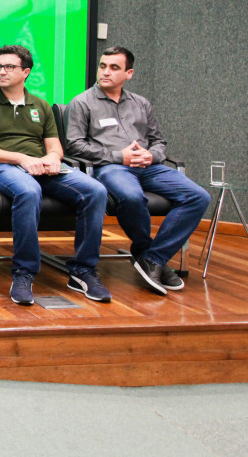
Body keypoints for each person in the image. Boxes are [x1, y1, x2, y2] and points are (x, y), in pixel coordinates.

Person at [0, 44, 109, 306]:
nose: (1, 72)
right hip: (5, 167)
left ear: (26, 72)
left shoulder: (41, 106)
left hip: (42, 166)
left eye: (9, 67)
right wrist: (22, 159)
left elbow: (55, 147)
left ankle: (82, 271)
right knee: (29, 190)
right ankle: (24, 272)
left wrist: (52, 159)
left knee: (96, 190)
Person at [64, 45, 209, 296]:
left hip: (149, 167)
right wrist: (120, 156)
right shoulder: (82, 103)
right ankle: (145, 252)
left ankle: (154, 257)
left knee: (199, 197)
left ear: (128, 73)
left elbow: (159, 141)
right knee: (131, 197)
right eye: (102, 66)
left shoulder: (141, 104)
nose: (106, 72)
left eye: (114, 68)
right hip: (112, 168)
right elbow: (74, 146)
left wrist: (152, 154)